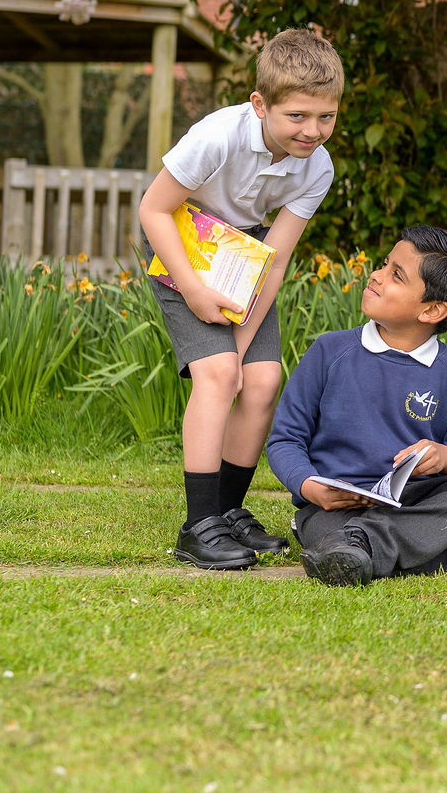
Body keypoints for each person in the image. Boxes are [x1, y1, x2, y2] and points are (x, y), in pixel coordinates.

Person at [138, 29, 342, 571]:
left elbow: (273, 259)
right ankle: (197, 526)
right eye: (297, 116)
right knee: (217, 374)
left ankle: (227, 513)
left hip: (243, 255)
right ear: (260, 104)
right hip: (180, 242)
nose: (313, 131)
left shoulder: (317, 168)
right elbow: (153, 210)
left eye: (326, 117)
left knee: (261, 378)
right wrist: (195, 288)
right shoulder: (217, 137)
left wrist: (242, 334)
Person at [266, 225, 447, 586]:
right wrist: (308, 487)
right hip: (336, 509)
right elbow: (285, 440)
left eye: (395, 275)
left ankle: (370, 548)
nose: (376, 275)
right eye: (385, 264)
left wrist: (446, 457)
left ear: (432, 309)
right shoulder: (329, 351)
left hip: (416, 502)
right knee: (333, 537)